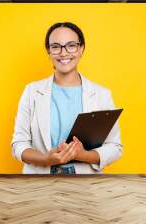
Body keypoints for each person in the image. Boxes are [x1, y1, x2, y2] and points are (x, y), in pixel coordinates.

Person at [11, 22, 122, 174]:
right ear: (49, 51)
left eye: (71, 45)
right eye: (56, 46)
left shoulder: (102, 94)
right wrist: (46, 160)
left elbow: (114, 147)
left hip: (85, 182)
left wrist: (84, 155)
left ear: (81, 49)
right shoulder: (31, 91)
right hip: (39, 182)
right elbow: (19, 144)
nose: (63, 53)